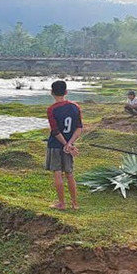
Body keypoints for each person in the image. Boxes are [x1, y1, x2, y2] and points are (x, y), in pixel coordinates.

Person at [45, 80, 83, 210]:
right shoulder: (75, 107)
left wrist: (65, 144)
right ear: (66, 92)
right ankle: (74, 203)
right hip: (69, 145)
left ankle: (61, 203)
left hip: (56, 145)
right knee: (69, 174)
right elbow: (79, 128)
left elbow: (55, 131)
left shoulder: (51, 109)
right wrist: (70, 144)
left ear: (51, 93)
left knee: (58, 173)